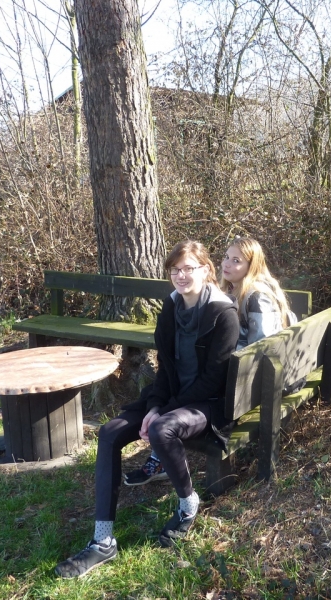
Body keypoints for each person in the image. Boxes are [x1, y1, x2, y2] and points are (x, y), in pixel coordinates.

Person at [55, 241, 239, 579]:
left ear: (205, 270)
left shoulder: (223, 314)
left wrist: (162, 411)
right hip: (172, 396)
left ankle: (188, 504)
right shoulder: (171, 306)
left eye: (188, 268)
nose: (181, 276)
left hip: (208, 404)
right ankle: (103, 540)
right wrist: (155, 404)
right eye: (175, 270)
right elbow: (165, 365)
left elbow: (213, 381)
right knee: (110, 432)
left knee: (160, 428)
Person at [123, 236, 294, 486]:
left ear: (252, 265)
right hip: (235, 377)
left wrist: (219, 351)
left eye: (236, 260)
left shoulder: (257, 296)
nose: (227, 264)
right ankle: (160, 455)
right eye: (226, 257)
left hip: (253, 385)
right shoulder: (232, 291)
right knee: (177, 379)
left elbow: (262, 349)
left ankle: (160, 457)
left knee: (189, 384)